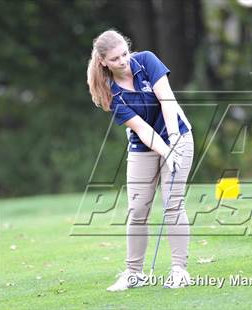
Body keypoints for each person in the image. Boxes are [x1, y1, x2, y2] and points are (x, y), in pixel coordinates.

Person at [86, 29, 194, 291]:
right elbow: (143, 130)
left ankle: (179, 270)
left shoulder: (146, 61)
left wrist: (174, 141)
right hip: (143, 145)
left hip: (178, 135)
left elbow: (167, 101)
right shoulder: (110, 92)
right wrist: (165, 152)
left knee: (172, 205)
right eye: (115, 59)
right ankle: (134, 273)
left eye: (125, 54)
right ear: (103, 62)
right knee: (137, 211)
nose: (123, 61)